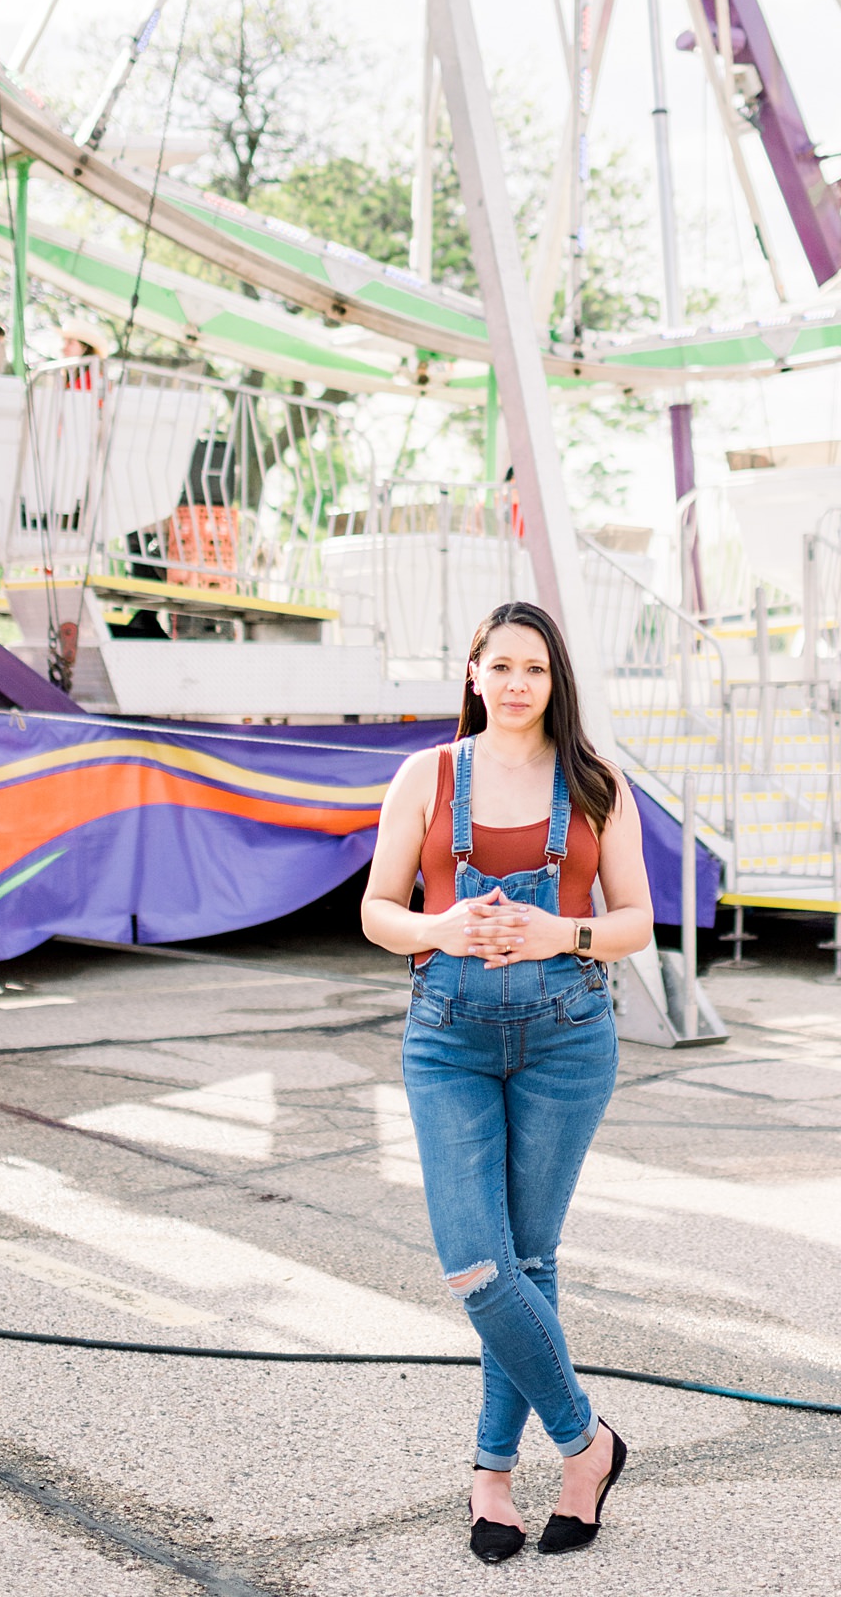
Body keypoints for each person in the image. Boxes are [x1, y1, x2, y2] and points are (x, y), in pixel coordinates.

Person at [362, 599, 654, 1564]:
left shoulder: (596, 783)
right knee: (476, 1263)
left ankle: (492, 1474)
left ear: (554, 679)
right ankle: (587, 1444)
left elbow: (635, 924)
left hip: (569, 1038)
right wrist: (435, 929)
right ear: (473, 673)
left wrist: (561, 932)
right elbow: (376, 910)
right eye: (503, 666)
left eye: (536, 668)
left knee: (529, 1259)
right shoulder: (426, 775)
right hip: (446, 1036)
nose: (519, 683)